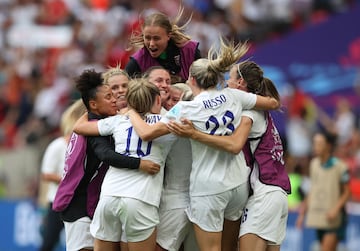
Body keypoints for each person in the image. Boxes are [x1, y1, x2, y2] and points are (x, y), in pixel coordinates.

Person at [127, 38, 280, 251]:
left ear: (191, 79)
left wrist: (130, 111)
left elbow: (146, 133)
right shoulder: (233, 95)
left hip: (209, 187)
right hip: (238, 183)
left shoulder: (186, 110)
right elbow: (272, 102)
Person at [166, 61, 291, 251]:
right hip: (268, 189)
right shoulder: (240, 101)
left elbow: (234, 145)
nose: (226, 83)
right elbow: (274, 102)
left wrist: (194, 134)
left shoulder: (248, 112)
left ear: (240, 83)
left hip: (263, 192)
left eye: (230, 78)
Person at [53, 69, 159, 251]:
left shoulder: (94, 122)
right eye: (109, 96)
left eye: (118, 91)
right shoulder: (94, 129)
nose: (114, 99)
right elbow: (106, 155)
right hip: (79, 205)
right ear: (94, 105)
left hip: (88, 202)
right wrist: (140, 164)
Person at [73, 78, 176, 251]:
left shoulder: (117, 121)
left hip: (109, 196)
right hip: (141, 199)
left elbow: (79, 127)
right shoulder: (167, 121)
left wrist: (128, 112)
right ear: (157, 100)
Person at [38, 99, 85, 251]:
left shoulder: (84, 145)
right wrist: (69, 180)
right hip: (57, 201)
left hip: (77, 201)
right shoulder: (58, 145)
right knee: (49, 242)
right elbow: (46, 174)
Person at [296, 130, 350, 251]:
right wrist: (302, 214)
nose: (316, 147)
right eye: (315, 143)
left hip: (335, 218)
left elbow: (347, 192)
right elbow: (312, 190)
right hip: (320, 215)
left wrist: (336, 209)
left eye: (319, 143)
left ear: (328, 146)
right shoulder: (314, 164)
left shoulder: (340, 166)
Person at [125, 6, 201, 83]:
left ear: (168, 35)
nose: (151, 44)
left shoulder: (190, 51)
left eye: (156, 38)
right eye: (148, 38)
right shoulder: (137, 62)